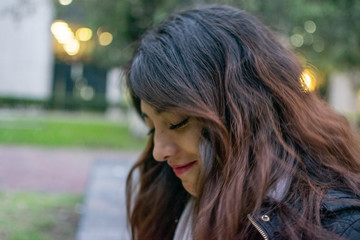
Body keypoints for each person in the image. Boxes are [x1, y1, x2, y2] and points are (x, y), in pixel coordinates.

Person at [125, 5, 360, 240]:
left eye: (177, 123)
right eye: (152, 129)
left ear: (246, 109)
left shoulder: (339, 228)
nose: (159, 152)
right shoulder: (171, 199)